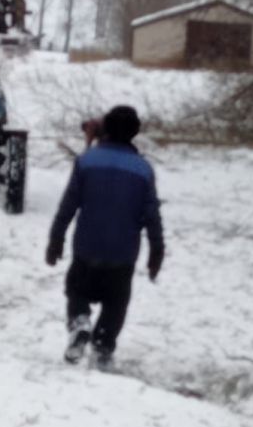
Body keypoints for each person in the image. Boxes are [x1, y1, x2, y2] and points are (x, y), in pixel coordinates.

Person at [46, 105, 165, 369]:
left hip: (87, 246)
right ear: (134, 133)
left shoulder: (87, 162)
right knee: (115, 303)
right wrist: (157, 250)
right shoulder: (143, 170)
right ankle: (102, 348)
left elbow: (68, 205)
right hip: (122, 253)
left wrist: (57, 238)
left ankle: (79, 322)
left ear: (106, 129)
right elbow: (152, 216)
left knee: (76, 290)